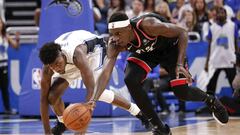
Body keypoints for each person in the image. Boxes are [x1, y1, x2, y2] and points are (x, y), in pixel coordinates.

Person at [89, 12, 229, 135]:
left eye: (118, 33)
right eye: (112, 34)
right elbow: (105, 74)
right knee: (130, 79)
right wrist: (93, 100)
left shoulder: (148, 25)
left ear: (128, 28)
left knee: (181, 92)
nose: (115, 38)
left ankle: (211, 100)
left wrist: (180, 64)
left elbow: (182, 32)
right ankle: (159, 127)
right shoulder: (115, 44)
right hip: (148, 53)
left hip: (171, 49)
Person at [38, 30, 149, 135]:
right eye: (53, 66)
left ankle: (138, 111)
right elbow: (43, 100)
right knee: (52, 96)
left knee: (98, 93)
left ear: (61, 54)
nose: (56, 68)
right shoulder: (49, 68)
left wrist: (82, 126)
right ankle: (63, 123)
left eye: (57, 63)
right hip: (70, 58)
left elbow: (91, 91)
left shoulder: (77, 55)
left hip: (93, 52)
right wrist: (47, 132)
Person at [205, 7, 238, 96]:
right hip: (215, 60)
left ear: (226, 15)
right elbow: (209, 46)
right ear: (216, 15)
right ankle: (210, 106)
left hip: (230, 59)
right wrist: (207, 62)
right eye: (219, 13)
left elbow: (235, 43)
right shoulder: (212, 27)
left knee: (235, 85)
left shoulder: (232, 26)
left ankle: (237, 104)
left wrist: (237, 57)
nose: (220, 14)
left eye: (222, 13)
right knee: (210, 86)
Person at [0, 18, 19, 114]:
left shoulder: (5, 36)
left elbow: (15, 46)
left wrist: (17, 39)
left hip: (3, 66)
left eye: (0, 23)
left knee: (4, 88)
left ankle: (7, 109)